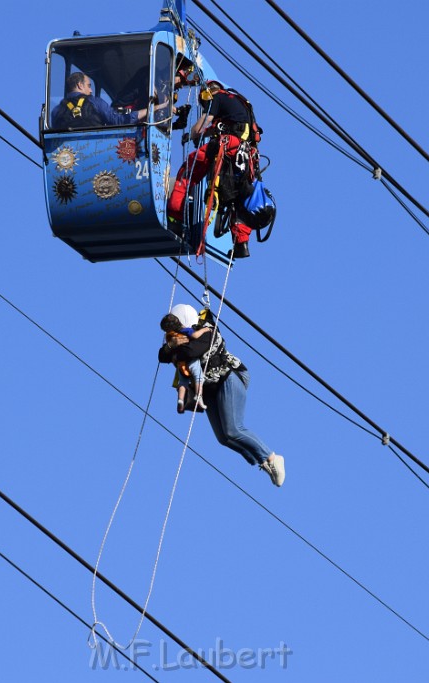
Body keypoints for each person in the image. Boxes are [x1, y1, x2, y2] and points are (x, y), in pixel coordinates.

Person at [157, 304, 286, 487]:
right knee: (223, 438)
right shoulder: (177, 341)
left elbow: (192, 351)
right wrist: (172, 344)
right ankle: (262, 461)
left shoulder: (207, 331)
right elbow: (162, 356)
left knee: (234, 429)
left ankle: (272, 457)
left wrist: (176, 347)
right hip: (210, 389)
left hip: (228, 377)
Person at [166, 80, 260, 259]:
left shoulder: (215, 97)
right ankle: (241, 244)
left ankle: (175, 218)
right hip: (244, 154)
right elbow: (217, 127)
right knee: (236, 194)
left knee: (190, 169)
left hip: (228, 145)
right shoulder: (237, 102)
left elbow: (204, 123)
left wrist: (192, 134)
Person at [51, 72, 167, 129]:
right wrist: (152, 109)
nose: (91, 90)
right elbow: (119, 121)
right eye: (88, 85)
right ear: (80, 85)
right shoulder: (95, 103)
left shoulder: (56, 111)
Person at [160, 313, 208, 413]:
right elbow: (195, 337)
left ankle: (181, 400)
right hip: (191, 361)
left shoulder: (170, 337)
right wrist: (205, 330)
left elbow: (163, 356)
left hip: (181, 364)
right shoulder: (186, 330)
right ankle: (199, 397)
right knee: (199, 377)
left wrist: (171, 348)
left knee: (182, 382)